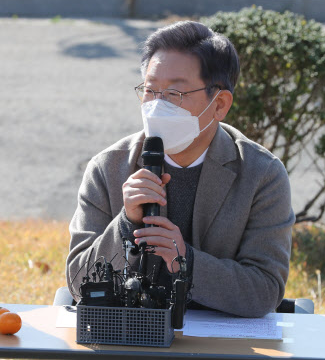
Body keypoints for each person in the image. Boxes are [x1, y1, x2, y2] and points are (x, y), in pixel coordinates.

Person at [66, 20, 295, 317]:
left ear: (219, 104)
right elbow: (76, 283)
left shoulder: (262, 175)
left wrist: (186, 261)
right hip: (128, 337)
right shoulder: (108, 168)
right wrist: (126, 223)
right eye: (150, 91)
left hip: (224, 342)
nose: (157, 106)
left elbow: (265, 291)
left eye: (175, 94)